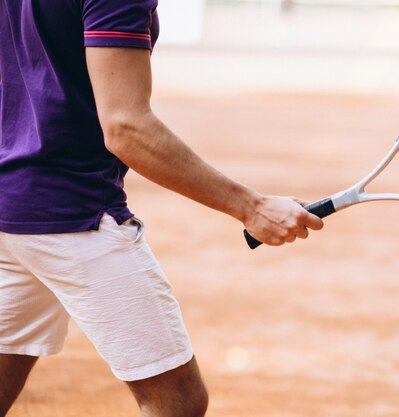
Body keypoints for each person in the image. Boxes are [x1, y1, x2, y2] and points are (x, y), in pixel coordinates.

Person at [0, 1, 323, 416]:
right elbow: (126, 127)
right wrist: (252, 207)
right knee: (177, 399)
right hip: (75, 216)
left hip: (10, 209)